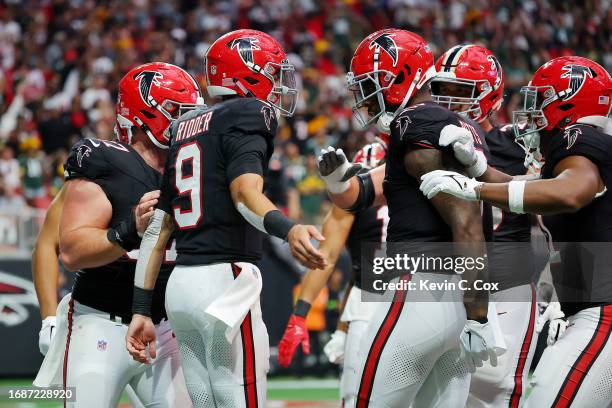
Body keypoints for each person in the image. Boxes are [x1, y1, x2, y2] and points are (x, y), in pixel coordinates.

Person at [124, 29, 326, 407]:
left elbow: (159, 228)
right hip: (226, 282)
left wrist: (140, 307)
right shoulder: (251, 112)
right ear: (246, 74)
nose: (278, 82)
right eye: (271, 71)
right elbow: (244, 193)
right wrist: (288, 227)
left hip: (181, 288)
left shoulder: (185, 126)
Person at [316, 29, 500, 407]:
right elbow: (362, 194)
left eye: (371, 84)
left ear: (399, 76)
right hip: (456, 301)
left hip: (419, 290)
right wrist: (477, 313)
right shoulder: (457, 126)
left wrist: (479, 314)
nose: (365, 95)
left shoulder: (413, 123)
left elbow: (464, 221)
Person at [419, 55, 612, 407]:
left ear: (568, 101)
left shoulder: (579, 137)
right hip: (590, 309)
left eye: (540, 99)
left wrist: (476, 190)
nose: (532, 111)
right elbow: (529, 188)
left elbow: (570, 192)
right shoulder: (581, 146)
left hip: (603, 312)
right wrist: (480, 169)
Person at [34, 62, 202, 408]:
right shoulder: (106, 162)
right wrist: (129, 232)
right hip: (100, 322)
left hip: (166, 328)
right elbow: (68, 250)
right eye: (178, 112)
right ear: (144, 114)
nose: (187, 122)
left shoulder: (189, 167)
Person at [429, 44, 539, 407]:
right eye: (442, 90)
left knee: (498, 388)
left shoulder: (518, 143)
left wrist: (558, 294)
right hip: (448, 279)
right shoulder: (426, 139)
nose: (448, 100)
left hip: (507, 279)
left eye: (461, 91)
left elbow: (557, 207)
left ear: (489, 93)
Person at [278, 141, 388, 406]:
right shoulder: (415, 189)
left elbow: (325, 259)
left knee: (358, 394)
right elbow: (335, 263)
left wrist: (300, 315)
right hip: (413, 294)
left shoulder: (352, 200)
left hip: (377, 298)